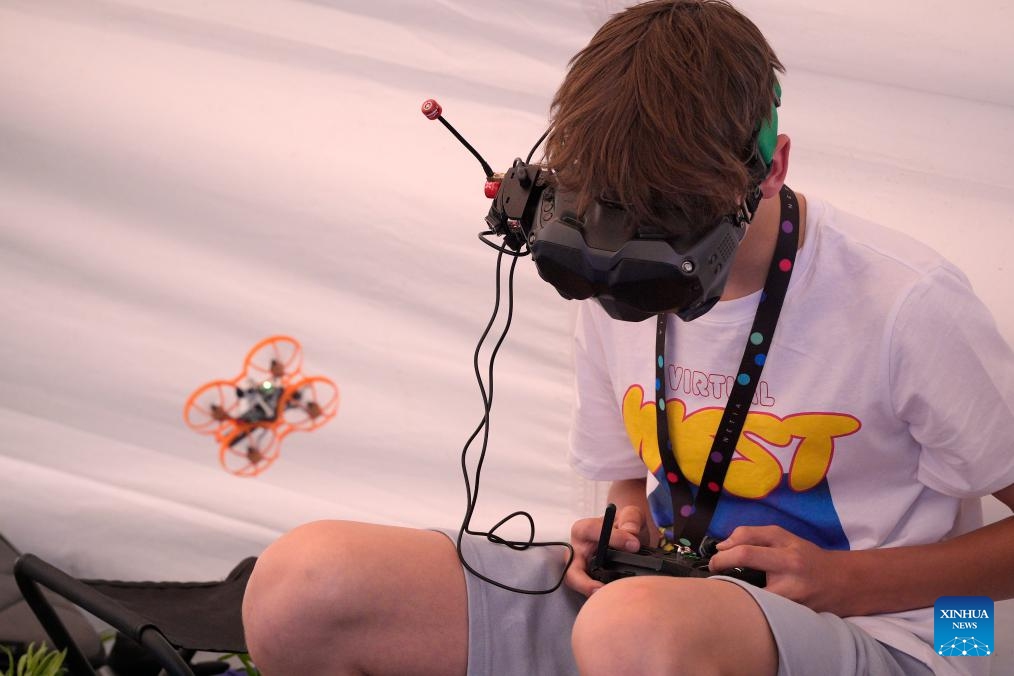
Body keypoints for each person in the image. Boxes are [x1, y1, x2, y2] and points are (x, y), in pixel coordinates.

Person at [240, 2, 1014, 674]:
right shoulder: (611, 263)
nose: (631, 269)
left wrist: (846, 583)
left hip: (898, 633)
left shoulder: (907, 303)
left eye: (668, 235)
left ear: (770, 169)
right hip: (652, 620)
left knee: (634, 633)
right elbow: (629, 478)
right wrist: (621, 528)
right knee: (301, 585)